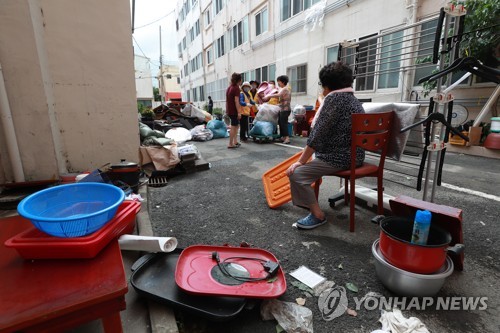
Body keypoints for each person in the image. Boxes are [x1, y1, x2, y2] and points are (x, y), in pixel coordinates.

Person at [286, 62, 365, 229]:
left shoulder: (334, 100)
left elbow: (317, 137)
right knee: (303, 167)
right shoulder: (354, 101)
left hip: (339, 157)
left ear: (327, 85)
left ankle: (317, 215)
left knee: (296, 174)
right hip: (356, 156)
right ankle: (310, 207)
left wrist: (300, 161)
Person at [262, 75, 292, 144]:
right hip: (283, 109)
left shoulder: (285, 89)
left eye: (279, 82)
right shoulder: (285, 89)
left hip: (285, 109)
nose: (278, 84)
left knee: (283, 123)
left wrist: (269, 95)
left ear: (283, 82)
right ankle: (283, 137)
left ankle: (287, 138)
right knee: (281, 123)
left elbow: (278, 95)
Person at [226, 72, 242, 149]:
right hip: (234, 110)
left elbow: (227, 100)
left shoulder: (229, 88)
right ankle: (230, 143)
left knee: (236, 125)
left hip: (230, 110)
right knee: (234, 126)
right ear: (239, 80)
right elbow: (236, 101)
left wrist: (227, 110)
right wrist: (239, 112)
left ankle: (235, 141)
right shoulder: (236, 88)